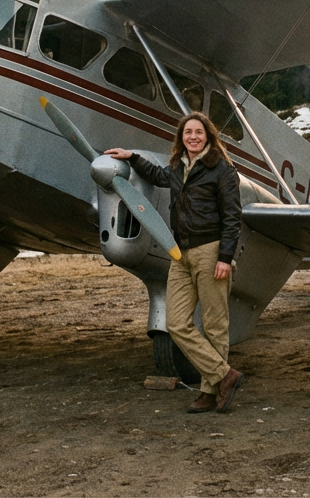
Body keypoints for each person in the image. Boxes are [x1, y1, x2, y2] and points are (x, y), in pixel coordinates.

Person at [105, 112, 245, 414]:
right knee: (176, 323)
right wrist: (131, 157)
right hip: (180, 254)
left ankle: (210, 393)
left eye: (198, 132)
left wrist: (225, 257)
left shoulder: (222, 170)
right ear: (181, 138)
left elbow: (233, 218)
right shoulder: (177, 168)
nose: (193, 137)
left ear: (208, 135)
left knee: (215, 326)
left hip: (211, 252)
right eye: (187, 133)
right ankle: (224, 376)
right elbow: (156, 175)